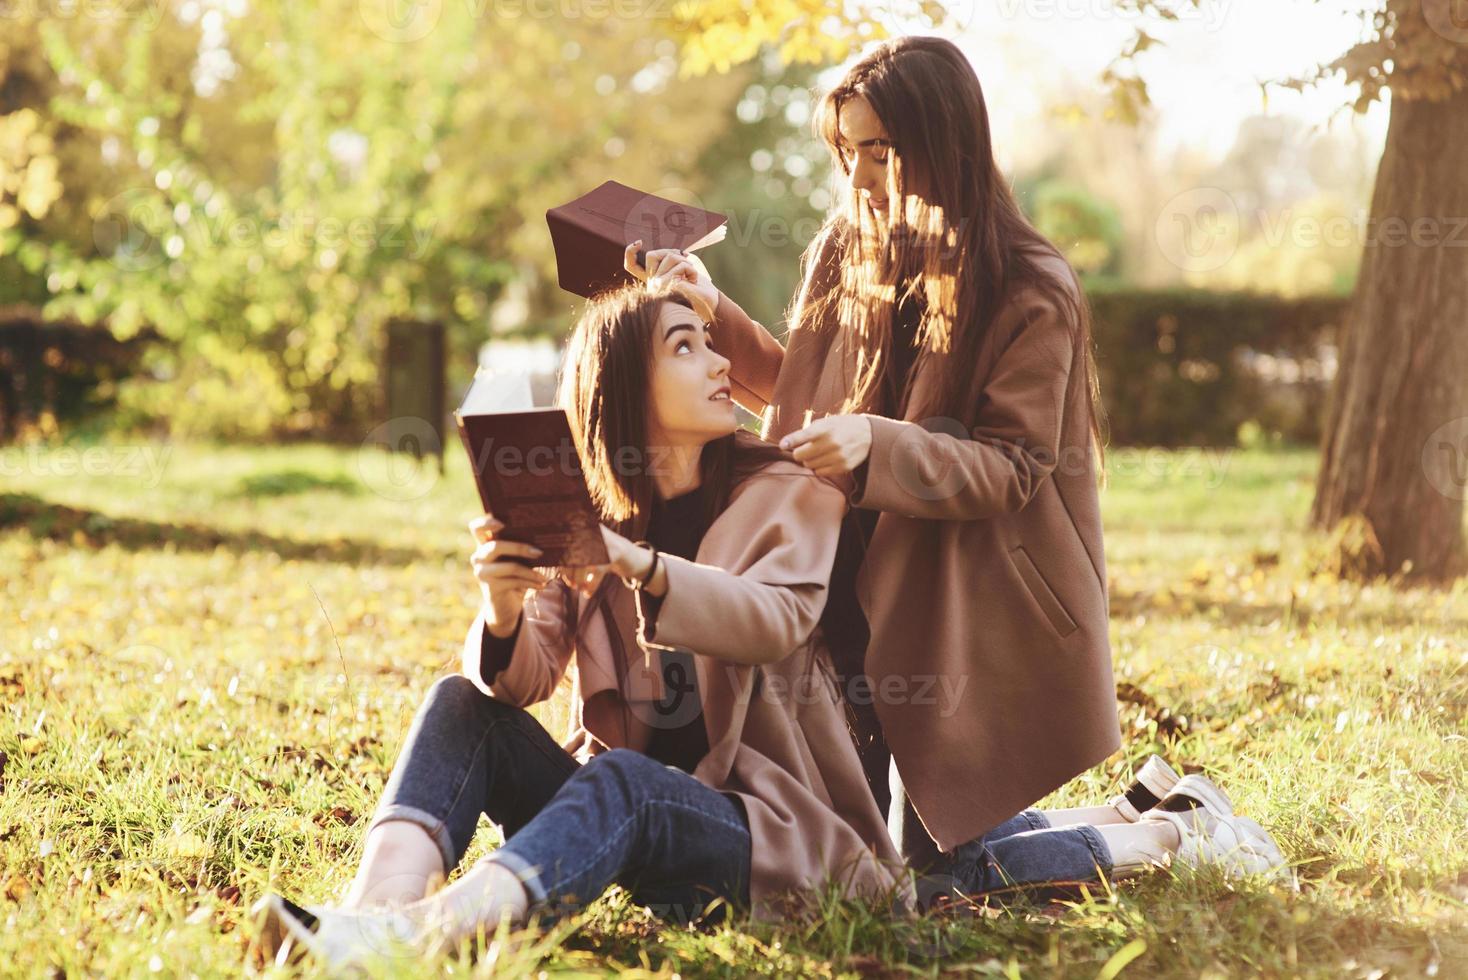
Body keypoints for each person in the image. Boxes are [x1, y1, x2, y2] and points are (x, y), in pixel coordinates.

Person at [629, 35, 1286, 897]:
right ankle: (1151, 811)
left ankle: (1168, 837)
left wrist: (879, 444)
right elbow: (802, 386)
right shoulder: (845, 247)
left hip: (958, 591)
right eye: (848, 151)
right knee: (882, 847)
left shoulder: (1030, 284)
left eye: (881, 151)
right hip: (846, 578)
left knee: (926, 878)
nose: (859, 176)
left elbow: (1013, 467)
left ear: (944, 145)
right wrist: (712, 312)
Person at [251, 281, 909, 970]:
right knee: (459, 702)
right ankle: (372, 920)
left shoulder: (791, 490)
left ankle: (419, 937)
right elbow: (522, 679)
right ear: (623, 384)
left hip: (769, 839)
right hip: (624, 824)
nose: (720, 364)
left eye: (710, 343)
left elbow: (775, 619)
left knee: (626, 779)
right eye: (686, 347)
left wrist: (645, 568)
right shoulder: (588, 512)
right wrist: (502, 607)